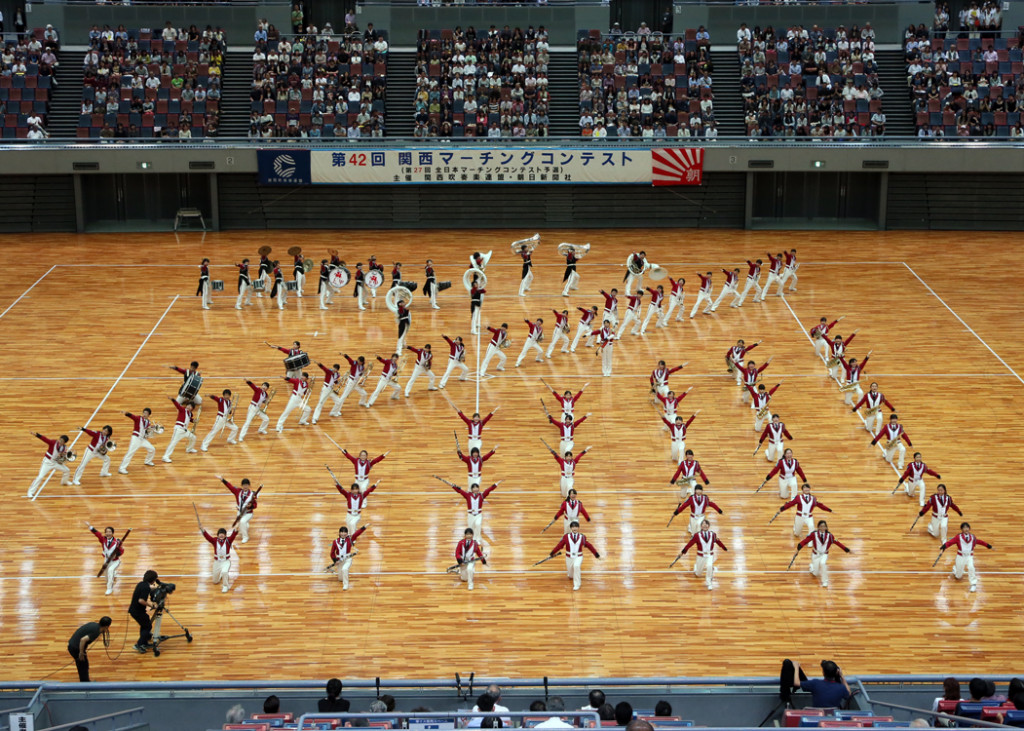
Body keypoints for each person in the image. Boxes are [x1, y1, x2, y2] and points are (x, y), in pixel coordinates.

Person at [939, 522, 993, 593]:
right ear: (962, 529)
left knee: (971, 568)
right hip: (960, 556)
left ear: (969, 528)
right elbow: (950, 542)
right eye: (964, 528)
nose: (966, 529)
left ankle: (973, 584)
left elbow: (980, 542)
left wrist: (988, 546)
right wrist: (944, 546)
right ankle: (955, 569)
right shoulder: (958, 537)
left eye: (967, 527)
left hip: (969, 556)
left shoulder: (973, 537)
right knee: (958, 576)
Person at [796, 520, 851, 589]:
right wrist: (799, 547)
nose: (822, 528)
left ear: (826, 527)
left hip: (824, 554)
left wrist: (846, 549)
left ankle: (825, 581)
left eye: (824, 526)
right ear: (818, 527)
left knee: (822, 564)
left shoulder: (830, 536)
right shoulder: (814, 534)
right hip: (815, 554)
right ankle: (812, 567)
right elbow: (806, 540)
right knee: (815, 574)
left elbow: (838, 543)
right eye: (821, 526)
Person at [678, 518, 728, 590]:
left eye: (706, 524)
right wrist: (683, 552)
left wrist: (725, 548)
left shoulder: (713, 534)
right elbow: (689, 544)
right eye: (703, 524)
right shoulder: (696, 535)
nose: (705, 525)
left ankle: (709, 583)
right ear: (701, 526)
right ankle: (697, 568)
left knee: (710, 566)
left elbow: (718, 542)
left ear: (709, 526)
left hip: (710, 555)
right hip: (700, 556)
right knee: (698, 574)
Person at [549, 521, 600, 591]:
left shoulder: (582, 537)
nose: (574, 528)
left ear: (578, 528)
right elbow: (560, 545)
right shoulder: (566, 537)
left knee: (576, 566)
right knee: (571, 575)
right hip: (569, 557)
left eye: (576, 527)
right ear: (571, 528)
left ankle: (577, 584)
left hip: (578, 556)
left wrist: (596, 554)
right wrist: (553, 552)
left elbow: (589, 546)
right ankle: (571, 575)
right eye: (573, 527)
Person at [67, 616, 112, 681]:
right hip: (75, 648)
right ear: (107, 626)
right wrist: (81, 653)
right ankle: (85, 684)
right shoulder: (96, 631)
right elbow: (83, 640)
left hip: (73, 644)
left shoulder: (95, 625)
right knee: (83, 666)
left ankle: (85, 682)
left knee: (84, 665)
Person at [28, 431, 72, 498]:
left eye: (62, 441)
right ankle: (30, 492)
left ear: (64, 442)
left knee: (67, 470)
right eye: (60, 439)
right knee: (40, 477)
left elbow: (61, 457)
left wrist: (64, 456)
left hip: (55, 463)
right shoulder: (53, 442)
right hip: (47, 463)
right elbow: (44, 439)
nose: (60, 441)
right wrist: (36, 434)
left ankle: (64, 482)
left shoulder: (64, 448)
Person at [199, 521, 238, 593]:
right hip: (217, 562)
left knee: (225, 572)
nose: (221, 535)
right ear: (218, 535)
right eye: (220, 534)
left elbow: (234, 534)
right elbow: (208, 537)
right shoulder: (214, 540)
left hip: (226, 561)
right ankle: (219, 576)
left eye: (223, 534)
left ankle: (225, 586)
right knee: (215, 581)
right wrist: (203, 530)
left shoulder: (229, 540)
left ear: (225, 535)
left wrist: (237, 526)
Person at [86, 523, 125, 594]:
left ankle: (109, 588)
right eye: (107, 532)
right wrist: (90, 527)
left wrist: (116, 555)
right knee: (106, 574)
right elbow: (97, 534)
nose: (108, 533)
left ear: (112, 533)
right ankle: (111, 577)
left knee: (110, 570)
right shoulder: (103, 539)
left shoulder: (117, 542)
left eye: (110, 532)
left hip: (115, 561)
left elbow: (122, 551)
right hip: (106, 560)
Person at [220, 476, 258, 543]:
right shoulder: (238, 491)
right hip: (240, 513)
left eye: (246, 485)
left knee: (242, 522)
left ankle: (245, 537)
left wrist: (251, 506)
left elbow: (255, 505)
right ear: (242, 485)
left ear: (249, 485)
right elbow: (230, 487)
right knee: (241, 525)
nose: (245, 486)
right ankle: (246, 525)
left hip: (248, 513)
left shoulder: (252, 494)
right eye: (244, 485)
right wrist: (223, 480)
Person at [128, 570, 159, 653]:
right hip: (137, 611)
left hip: (134, 610)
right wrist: (152, 605)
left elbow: (149, 588)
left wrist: (157, 587)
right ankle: (139, 644)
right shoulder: (146, 588)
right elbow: (141, 600)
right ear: (153, 580)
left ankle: (144, 642)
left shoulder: (141, 584)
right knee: (147, 626)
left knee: (145, 623)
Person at [118, 409, 157, 473]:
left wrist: (153, 427)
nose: (144, 414)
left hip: (142, 439)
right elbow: (132, 416)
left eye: (146, 413)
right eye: (144, 413)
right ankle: (122, 468)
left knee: (152, 449)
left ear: (149, 415)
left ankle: (148, 461)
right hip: (136, 438)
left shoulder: (148, 422)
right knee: (130, 453)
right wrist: (126, 413)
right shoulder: (139, 418)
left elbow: (147, 430)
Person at [329, 525, 366, 590]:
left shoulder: (350, 539)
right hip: (339, 559)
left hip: (347, 559)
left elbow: (356, 534)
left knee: (344, 569)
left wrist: (364, 527)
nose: (343, 533)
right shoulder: (335, 542)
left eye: (345, 532)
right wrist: (335, 560)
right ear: (339, 533)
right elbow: (332, 553)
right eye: (342, 532)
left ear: (347, 533)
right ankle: (344, 576)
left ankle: (346, 585)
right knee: (340, 578)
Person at [161, 398, 197, 462]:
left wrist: (194, 420)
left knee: (193, 437)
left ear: (192, 408)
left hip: (185, 431)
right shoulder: (182, 409)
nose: (188, 407)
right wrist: (173, 400)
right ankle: (165, 457)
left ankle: (189, 449)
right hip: (179, 429)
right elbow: (177, 405)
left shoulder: (189, 414)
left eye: (190, 406)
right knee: (173, 443)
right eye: (188, 405)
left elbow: (190, 419)